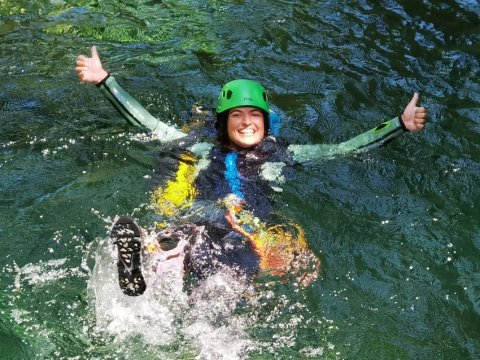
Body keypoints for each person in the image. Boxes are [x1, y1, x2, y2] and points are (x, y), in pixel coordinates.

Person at [76, 46, 427, 296]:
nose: (246, 123)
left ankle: (187, 303)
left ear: (265, 121)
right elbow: (148, 123)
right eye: (237, 116)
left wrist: (398, 124)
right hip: (200, 215)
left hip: (246, 231)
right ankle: (144, 263)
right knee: (185, 236)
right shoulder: (201, 146)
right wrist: (105, 81)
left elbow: (344, 149)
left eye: (254, 115)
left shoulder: (282, 155)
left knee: (221, 278)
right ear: (223, 123)